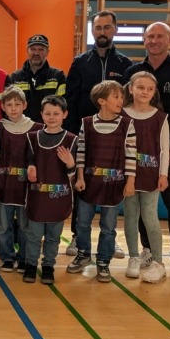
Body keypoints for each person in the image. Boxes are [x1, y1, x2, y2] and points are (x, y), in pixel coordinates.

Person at [124, 22, 170, 279]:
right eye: (150, 36)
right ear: (144, 40)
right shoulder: (133, 71)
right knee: (141, 205)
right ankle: (147, 251)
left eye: (160, 36)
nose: (155, 40)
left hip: (169, 146)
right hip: (137, 151)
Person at [64, 11, 133, 258]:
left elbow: (128, 101)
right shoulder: (80, 62)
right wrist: (72, 135)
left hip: (114, 139)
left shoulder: (125, 64)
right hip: (86, 134)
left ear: (115, 29)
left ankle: (110, 239)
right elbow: (70, 99)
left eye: (106, 27)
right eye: (98, 28)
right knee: (82, 185)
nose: (102, 32)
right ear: (92, 31)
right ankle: (77, 237)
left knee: (111, 185)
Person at [67, 80, 136, 283]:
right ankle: (83, 254)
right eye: (116, 96)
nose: (121, 100)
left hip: (114, 185)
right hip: (89, 183)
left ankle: (104, 261)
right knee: (82, 223)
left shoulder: (127, 124)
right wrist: (80, 177)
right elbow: (81, 153)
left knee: (108, 226)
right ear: (102, 101)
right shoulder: (87, 123)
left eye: (122, 96)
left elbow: (131, 155)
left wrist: (130, 181)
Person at [121, 73, 170, 283]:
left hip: (151, 174)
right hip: (127, 176)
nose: (145, 92)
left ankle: (158, 263)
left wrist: (163, 174)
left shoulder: (160, 117)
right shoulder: (121, 114)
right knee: (130, 216)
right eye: (140, 87)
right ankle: (133, 257)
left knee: (150, 217)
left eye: (150, 89)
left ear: (154, 92)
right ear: (131, 88)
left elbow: (164, 149)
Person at [22, 96, 77, 285]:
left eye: (56, 113)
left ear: (64, 114)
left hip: (59, 199)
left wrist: (70, 163)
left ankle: (48, 266)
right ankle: (30, 265)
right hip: (37, 199)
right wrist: (30, 168)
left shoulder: (71, 140)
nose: (51, 117)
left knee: (53, 237)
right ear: (41, 114)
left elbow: (74, 176)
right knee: (34, 236)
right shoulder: (32, 137)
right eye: (47, 113)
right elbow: (29, 161)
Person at [0, 85, 37, 273]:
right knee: (4, 226)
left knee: (24, 226)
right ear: (3, 106)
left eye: (17, 104)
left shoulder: (36, 129)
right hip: (4, 184)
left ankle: (24, 258)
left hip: (26, 187)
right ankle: (7, 257)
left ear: (24, 105)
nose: (13, 108)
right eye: (9, 104)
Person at [7, 34, 67, 124]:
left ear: (47, 52)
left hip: (48, 128)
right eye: (33, 49)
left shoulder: (58, 77)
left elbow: (62, 107)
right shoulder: (15, 78)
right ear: (27, 51)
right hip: (21, 128)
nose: (36, 53)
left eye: (41, 49)